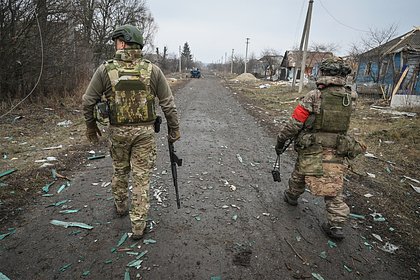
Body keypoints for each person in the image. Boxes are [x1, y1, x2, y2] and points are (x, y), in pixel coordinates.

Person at [82, 24, 180, 240]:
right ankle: (138, 227)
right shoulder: (152, 70)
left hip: (117, 133)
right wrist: (174, 129)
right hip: (144, 134)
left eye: (116, 41)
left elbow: (88, 101)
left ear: (123, 43)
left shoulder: (104, 70)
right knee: (141, 177)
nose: (115, 44)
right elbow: (168, 104)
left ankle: (120, 207)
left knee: (120, 170)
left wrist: (91, 126)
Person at [275, 57, 365, 240]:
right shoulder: (350, 97)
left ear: (323, 73)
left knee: (301, 170)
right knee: (333, 183)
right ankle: (336, 224)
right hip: (338, 146)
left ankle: (292, 196)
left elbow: (295, 123)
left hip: (312, 145)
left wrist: (281, 140)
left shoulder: (314, 95)